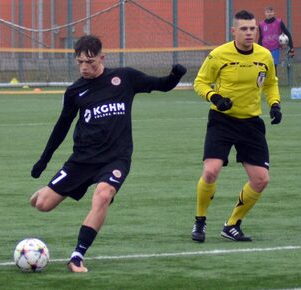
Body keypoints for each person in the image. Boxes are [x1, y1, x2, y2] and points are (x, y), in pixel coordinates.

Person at [30, 34, 187, 272]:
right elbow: (61, 127)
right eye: (80, 62)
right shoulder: (75, 91)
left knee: (103, 196)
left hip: (116, 158)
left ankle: (77, 256)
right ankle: (45, 191)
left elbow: (161, 84)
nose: (84, 67)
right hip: (82, 160)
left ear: (102, 57)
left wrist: (175, 75)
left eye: (90, 62)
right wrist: (44, 160)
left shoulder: (124, 78)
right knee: (42, 204)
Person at [191, 10, 281, 243]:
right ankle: (199, 221)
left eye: (253, 28)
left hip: (251, 123)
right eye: (244, 29)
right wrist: (215, 98)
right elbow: (200, 82)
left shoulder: (265, 56)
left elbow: (271, 83)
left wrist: (275, 105)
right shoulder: (219, 55)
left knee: (261, 179)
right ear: (234, 31)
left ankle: (232, 225)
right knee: (211, 171)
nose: (249, 33)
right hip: (222, 121)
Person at [258, 5, 295, 75]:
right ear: (265, 13)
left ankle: (275, 84)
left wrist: (291, 47)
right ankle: (265, 84)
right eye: (267, 12)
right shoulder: (261, 24)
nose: (269, 14)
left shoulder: (279, 22)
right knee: (264, 68)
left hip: (275, 49)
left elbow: (288, 34)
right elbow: (260, 38)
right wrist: (257, 50)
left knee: (273, 68)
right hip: (264, 49)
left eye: (271, 12)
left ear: (274, 13)